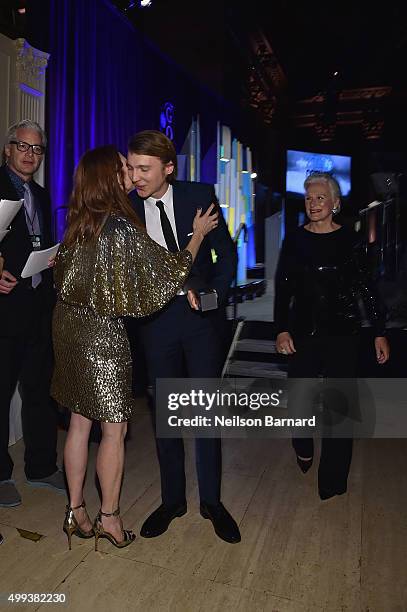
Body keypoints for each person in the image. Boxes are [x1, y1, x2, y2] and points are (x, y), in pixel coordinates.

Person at [51, 145, 218, 550]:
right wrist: (196, 237)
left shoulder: (78, 222)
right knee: (115, 430)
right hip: (102, 335)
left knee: (78, 424)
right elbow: (166, 277)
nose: (130, 173)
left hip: (68, 326)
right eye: (124, 167)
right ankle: (110, 517)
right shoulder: (121, 227)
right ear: (110, 177)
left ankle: (76, 511)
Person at [127, 130, 241, 544]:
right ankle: (172, 499)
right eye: (132, 167)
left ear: (168, 168)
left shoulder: (198, 194)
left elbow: (226, 256)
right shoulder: (127, 209)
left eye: (144, 168)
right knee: (165, 416)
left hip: (200, 321)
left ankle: (212, 501)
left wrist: (213, 295)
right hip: (155, 323)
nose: (135, 176)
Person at [274, 171, 390, 500]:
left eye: (320, 197)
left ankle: (332, 481)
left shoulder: (350, 241)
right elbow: (284, 289)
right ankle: (302, 444)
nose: (314, 203)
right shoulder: (294, 240)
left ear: (335, 203)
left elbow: (367, 289)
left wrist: (379, 331)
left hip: (342, 332)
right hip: (303, 331)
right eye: (309, 198)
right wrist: (281, 328)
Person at [0, 120, 64, 508]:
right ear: (7, 149)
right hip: (5, 310)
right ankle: (0, 475)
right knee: (0, 394)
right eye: (22, 146)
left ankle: (41, 467)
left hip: (40, 309)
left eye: (37, 149)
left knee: (40, 392)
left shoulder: (40, 194)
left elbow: (35, 242)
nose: (30, 154)